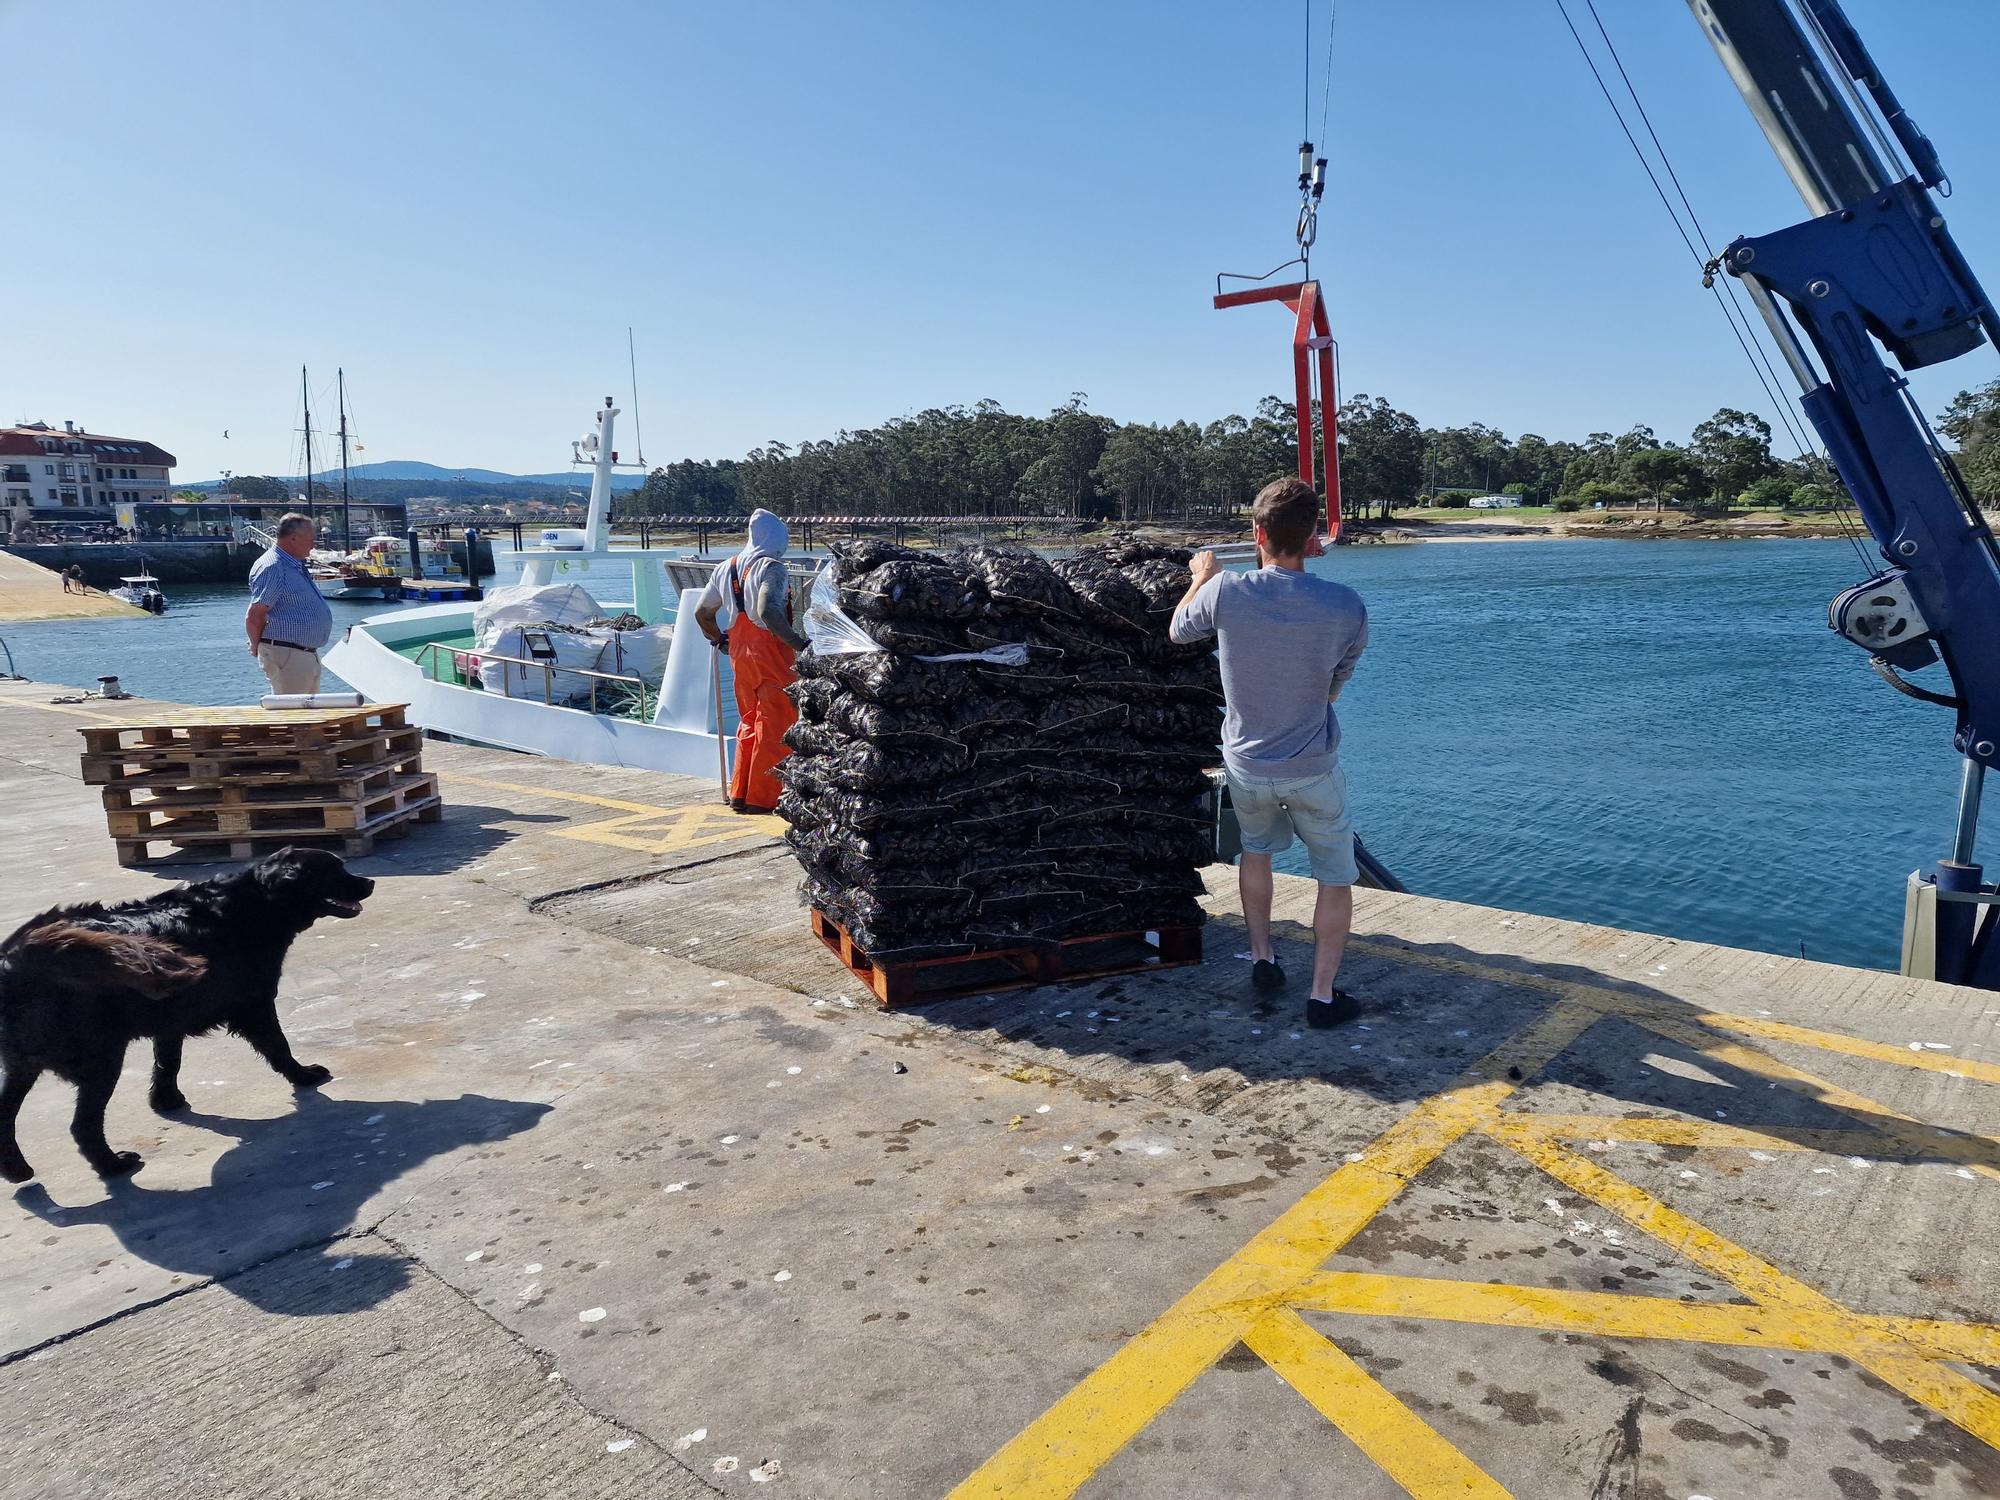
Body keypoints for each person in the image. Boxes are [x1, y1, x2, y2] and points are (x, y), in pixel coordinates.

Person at [1169, 477, 1369, 1028]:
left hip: (1246, 764)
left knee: (1256, 850)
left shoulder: (1226, 591)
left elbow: (1178, 630)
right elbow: (1333, 687)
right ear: (1311, 538)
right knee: (1335, 876)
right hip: (1312, 767)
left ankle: (1262, 957)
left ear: (1257, 532)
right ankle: (1323, 997)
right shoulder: (1346, 605)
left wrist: (1200, 578)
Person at [693, 509, 809, 814]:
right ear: (778, 539)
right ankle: (766, 797)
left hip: (739, 652)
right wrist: (800, 644)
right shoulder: (772, 567)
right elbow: (769, 611)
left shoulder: (724, 568)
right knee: (777, 723)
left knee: (748, 720)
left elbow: (702, 613)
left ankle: (740, 794)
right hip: (770, 651)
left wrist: (719, 639)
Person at [246, 512, 334, 695]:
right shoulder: (274, 567)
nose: (313, 544)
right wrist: (256, 646)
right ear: (293, 538)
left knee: (307, 715)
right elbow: (256, 613)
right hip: (287, 654)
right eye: (310, 539)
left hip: (301, 654)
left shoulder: (292, 565)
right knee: (293, 714)